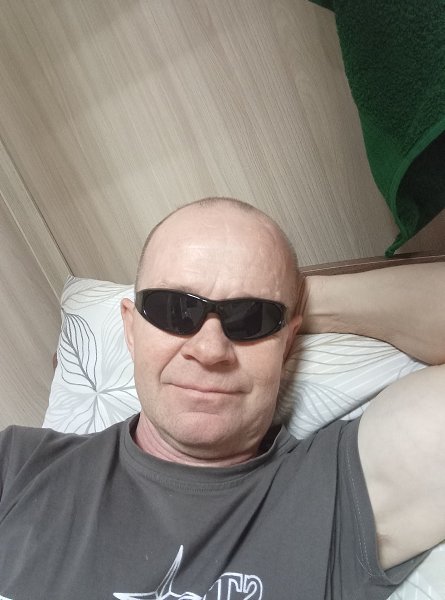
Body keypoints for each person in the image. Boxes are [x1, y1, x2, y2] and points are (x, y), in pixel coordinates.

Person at [0, 197, 444, 599]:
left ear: (288, 344)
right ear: (131, 331)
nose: (210, 350)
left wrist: (301, 298)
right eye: (174, 309)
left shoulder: (336, 493)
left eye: (252, 317)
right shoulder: (17, 467)